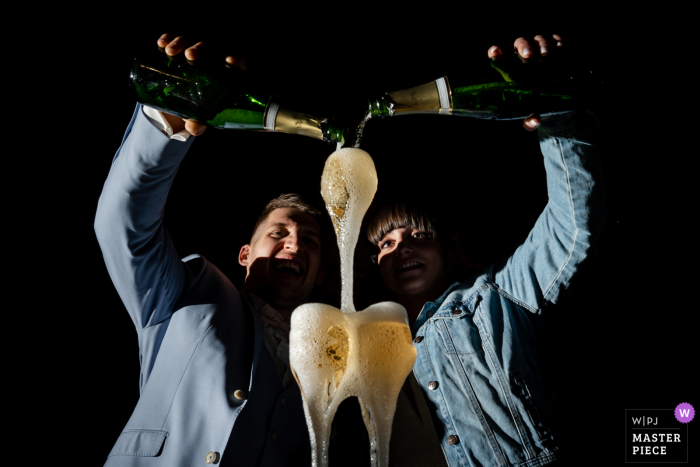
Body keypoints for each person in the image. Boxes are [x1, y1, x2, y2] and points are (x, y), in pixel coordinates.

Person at [365, 35, 606, 467]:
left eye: (417, 235)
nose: (402, 248)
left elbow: (573, 229)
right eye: (386, 243)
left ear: (446, 247)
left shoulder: (497, 295)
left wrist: (558, 115)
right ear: (375, 264)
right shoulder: (365, 348)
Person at [95, 34, 323, 466]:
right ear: (243, 255)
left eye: (310, 241)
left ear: (322, 272)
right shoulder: (190, 291)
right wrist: (166, 126)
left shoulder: (332, 361)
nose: (294, 243)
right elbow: (122, 222)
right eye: (278, 233)